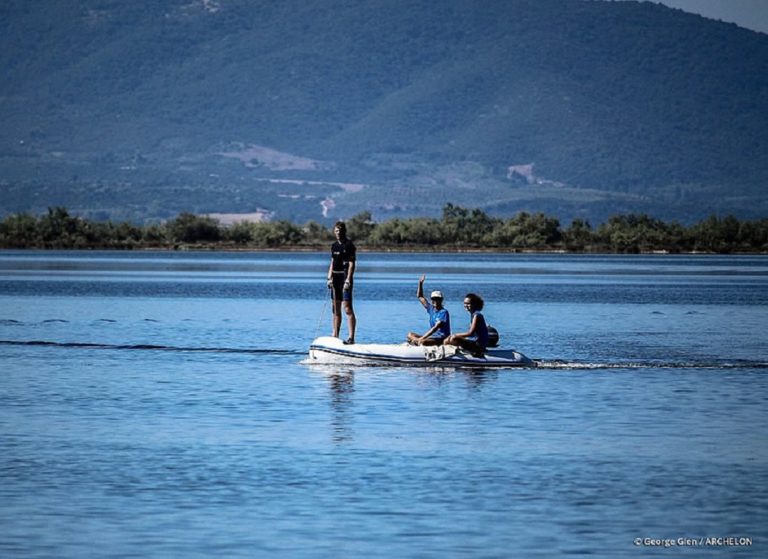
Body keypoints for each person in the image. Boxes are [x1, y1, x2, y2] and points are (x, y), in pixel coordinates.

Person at [327, 220, 356, 344]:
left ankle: (351, 337)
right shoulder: (334, 246)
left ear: (344, 231)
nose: (338, 233)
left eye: (340, 231)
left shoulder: (349, 245)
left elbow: (351, 264)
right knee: (335, 309)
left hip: (345, 279)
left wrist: (348, 279)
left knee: (347, 308)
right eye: (336, 231)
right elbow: (332, 262)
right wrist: (329, 278)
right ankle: (335, 334)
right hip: (335, 278)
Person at [407, 274, 450, 346]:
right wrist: (420, 283)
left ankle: (417, 342)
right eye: (433, 299)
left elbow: (435, 328)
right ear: (431, 300)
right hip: (432, 337)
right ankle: (417, 342)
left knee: (423, 342)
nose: (435, 301)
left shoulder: (444, 312)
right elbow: (420, 296)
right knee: (410, 334)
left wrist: (422, 338)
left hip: (442, 339)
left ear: (441, 300)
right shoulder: (431, 309)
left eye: (438, 299)